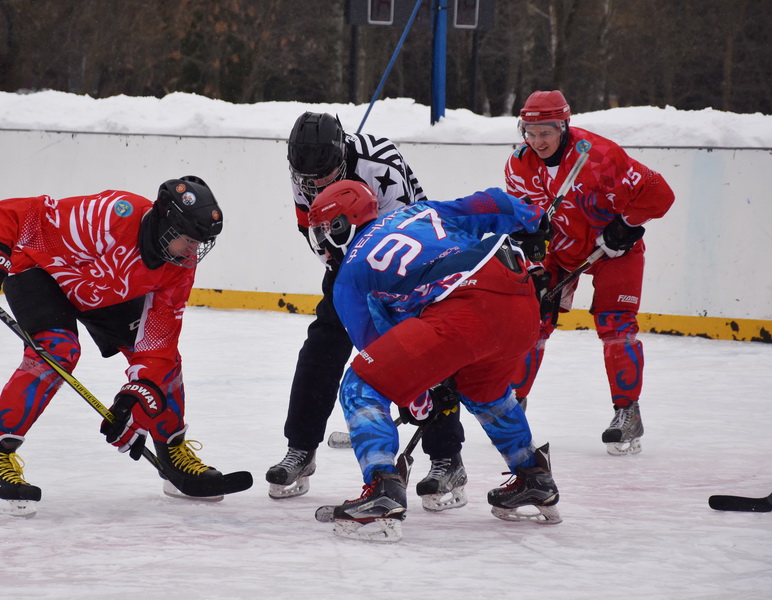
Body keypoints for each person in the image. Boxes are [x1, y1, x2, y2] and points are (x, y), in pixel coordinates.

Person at [0, 176, 247, 516]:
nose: (193, 252)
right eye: (189, 241)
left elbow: (159, 340)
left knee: (163, 361)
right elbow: (12, 214)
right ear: (166, 223)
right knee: (58, 351)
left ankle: (172, 451)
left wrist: (136, 398)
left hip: (105, 292)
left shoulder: (179, 263)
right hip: (41, 273)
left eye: (200, 244)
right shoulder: (108, 217)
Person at [308, 179, 562, 542]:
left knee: (361, 384)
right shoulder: (417, 211)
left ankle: (382, 489)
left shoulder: (349, 274)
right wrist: (533, 220)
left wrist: (419, 398)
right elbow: (490, 204)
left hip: (465, 307)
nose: (319, 239)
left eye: (321, 229)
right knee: (484, 390)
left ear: (340, 225)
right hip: (520, 301)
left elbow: (375, 348)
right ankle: (533, 477)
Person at [265, 111, 468, 511]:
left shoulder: (382, 164)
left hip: (411, 263)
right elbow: (316, 233)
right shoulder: (302, 171)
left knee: (423, 354)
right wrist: (348, 278)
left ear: (341, 155)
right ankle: (300, 449)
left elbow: (409, 232)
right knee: (321, 345)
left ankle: (447, 457)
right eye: (308, 179)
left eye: (324, 176)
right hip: (350, 264)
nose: (315, 185)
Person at [505, 90, 675, 455]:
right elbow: (522, 222)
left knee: (616, 325)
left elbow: (661, 194)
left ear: (564, 125)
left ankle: (627, 411)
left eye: (546, 132)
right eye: (529, 133)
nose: (537, 142)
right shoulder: (519, 164)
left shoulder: (601, 156)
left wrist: (626, 225)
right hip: (561, 250)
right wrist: (534, 264)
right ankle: (511, 405)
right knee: (530, 321)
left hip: (615, 252)